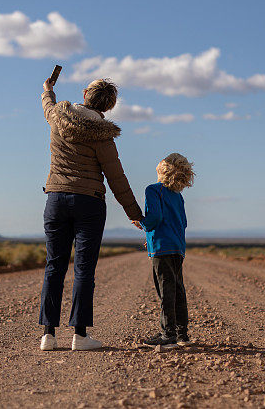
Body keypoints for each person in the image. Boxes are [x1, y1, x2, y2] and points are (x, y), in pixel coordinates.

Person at [39, 77, 144, 351]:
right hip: (89, 203)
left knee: (54, 266)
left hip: (56, 198)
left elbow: (48, 105)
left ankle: (48, 335)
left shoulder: (58, 115)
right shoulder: (102, 134)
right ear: (108, 107)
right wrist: (134, 213)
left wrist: (48, 90)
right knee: (84, 269)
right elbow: (116, 177)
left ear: (85, 93)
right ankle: (80, 336)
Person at [134, 153, 195, 349]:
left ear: (163, 171)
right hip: (178, 247)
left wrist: (142, 224)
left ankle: (167, 335)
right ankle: (181, 334)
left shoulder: (153, 190)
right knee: (178, 288)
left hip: (161, 249)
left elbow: (155, 218)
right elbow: (183, 223)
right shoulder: (178, 196)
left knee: (165, 290)